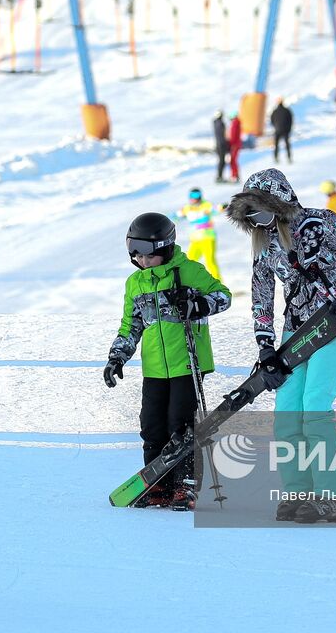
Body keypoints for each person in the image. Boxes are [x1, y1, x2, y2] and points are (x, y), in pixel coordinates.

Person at [226, 169, 336, 523]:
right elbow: (261, 296)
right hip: (294, 336)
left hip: (331, 326)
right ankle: (299, 492)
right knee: (287, 415)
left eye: (263, 213)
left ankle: (333, 495)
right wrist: (265, 346)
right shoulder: (264, 246)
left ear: (282, 206)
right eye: (250, 216)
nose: (258, 222)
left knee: (314, 410)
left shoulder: (320, 223)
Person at [104, 212, 231, 511]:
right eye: (134, 252)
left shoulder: (189, 271)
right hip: (155, 368)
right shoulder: (135, 283)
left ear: (164, 247)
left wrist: (197, 303)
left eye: (146, 253)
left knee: (181, 424)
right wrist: (117, 357)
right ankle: (157, 484)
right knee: (151, 426)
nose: (141, 259)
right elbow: (130, 325)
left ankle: (184, 485)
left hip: (187, 361)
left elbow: (223, 296)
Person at [177, 187, 222, 280]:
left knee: (210, 261)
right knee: (189, 261)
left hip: (207, 238)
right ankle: (187, 283)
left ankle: (218, 283)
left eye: (197, 196)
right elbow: (176, 215)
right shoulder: (188, 208)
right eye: (192, 196)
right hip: (195, 240)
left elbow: (216, 209)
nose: (194, 198)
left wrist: (222, 207)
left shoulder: (206, 205)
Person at [269, 97, 294, 164]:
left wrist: (275, 127)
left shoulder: (275, 111)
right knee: (287, 145)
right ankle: (289, 158)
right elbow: (291, 120)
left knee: (276, 145)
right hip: (285, 131)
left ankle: (276, 158)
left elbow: (271, 120)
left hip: (277, 130)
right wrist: (289, 129)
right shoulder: (287, 110)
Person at [212, 111, 230, 183]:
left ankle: (220, 176)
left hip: (218, 145)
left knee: (221, 161)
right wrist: (226, 145)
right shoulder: (220, 123)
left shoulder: (216, 123)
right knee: (222, 161)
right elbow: (222, 136)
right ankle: (219, 177)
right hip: (221, 145)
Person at [226, 113, 243, 182]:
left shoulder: (235, 123)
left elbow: (233, 135)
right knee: (233, 160)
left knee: (233, 160)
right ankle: (235, 175)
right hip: (236, 144)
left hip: (234, 145)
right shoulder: (237, 123)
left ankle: (235, 176)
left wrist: (230, 143)